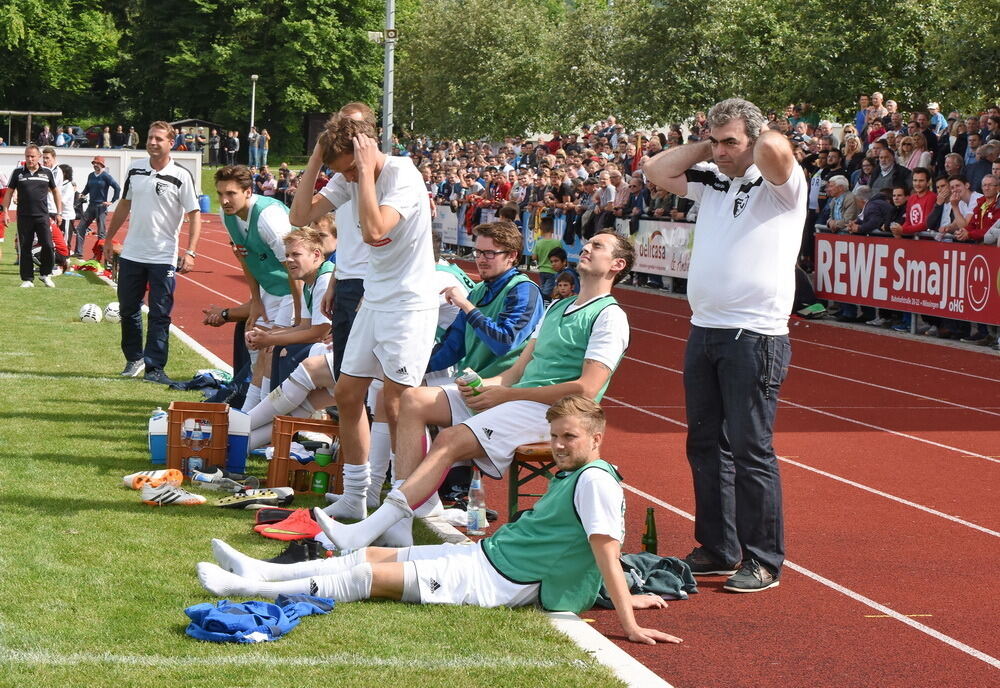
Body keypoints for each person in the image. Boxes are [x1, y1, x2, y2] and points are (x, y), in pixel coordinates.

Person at [198, 395, 682, 646]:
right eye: (554, 435)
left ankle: (239, 590)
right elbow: (585, 551)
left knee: (370, 576)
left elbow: (604, 551)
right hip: (484, 558)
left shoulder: (595, 480)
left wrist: (628, 621)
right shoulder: (585, 472)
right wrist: (628, 596)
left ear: (596, 437)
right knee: (367, 554)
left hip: (494, 582)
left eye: (569, 437)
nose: (558, 445)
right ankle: (261, 572)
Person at [313, 230, 633, 550]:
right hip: (517, 398)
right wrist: (481, 386)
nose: (586, 247)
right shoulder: (556, 307)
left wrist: (506, 394)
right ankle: (400, 524)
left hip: (556, 415)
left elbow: (586, 390)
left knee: (451, 439)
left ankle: (371, 527)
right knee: (411, 399)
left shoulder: (609, 316)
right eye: (587, 242)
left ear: (617, 264)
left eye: (597, 246)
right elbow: (514, 374)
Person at [644, 98, 803, 593]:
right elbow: (655, 168)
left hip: (755, 334)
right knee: (705, 444)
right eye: (715, 141)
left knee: (752, 449)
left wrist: (751, 141)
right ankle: (718, 546)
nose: (721, 150)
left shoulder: (782, 185)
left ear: (754, 139)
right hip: (705, 328)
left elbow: (777, 149)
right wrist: (711, 146)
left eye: (730, 141)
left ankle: (763, 560)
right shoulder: (713, 178)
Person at [273, 109, 436, 523]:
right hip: (374, 300)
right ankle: (356, 493)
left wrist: (363, 174)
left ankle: (401, 504)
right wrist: (316, 159)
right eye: (340, 172)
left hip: (408, 305)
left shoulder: (402, 175)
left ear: (366, 153)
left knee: (398, 405)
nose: (344, 179)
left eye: (348, 170)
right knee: (348, 395)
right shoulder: (351, 176)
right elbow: (299, 216)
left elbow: (374, 230)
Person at [103, 121, 201, 383]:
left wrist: (190, 252)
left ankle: (155, 368)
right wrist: (109, 238)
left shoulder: (181, 175)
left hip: (163, 256)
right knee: (128, 309)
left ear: (171, 143)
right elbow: (124, 205)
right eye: (150, 137)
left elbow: (194, 215)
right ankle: (134, 358)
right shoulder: (135, 169)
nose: (153, 142)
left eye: (159, 138)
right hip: (133, 253)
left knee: (160, 313)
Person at [3, 144, 62, 287]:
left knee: (48, 245)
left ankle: (45, 274)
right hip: (24, 217)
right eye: (27, 156)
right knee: (25, 247)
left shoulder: (47, 172)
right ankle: (27, 279)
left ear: (39, 157)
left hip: (42, 216)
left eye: (32, 156)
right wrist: (5, 211)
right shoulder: (18, 172)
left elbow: (55, 192)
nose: (29, 159)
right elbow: (9, 192)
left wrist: (59, 212)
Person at [74, 156, 121, 257]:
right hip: (91, 206)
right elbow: (88, 187)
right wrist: (82, 194)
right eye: (94, 163)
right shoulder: (91, 175)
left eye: (97, 163)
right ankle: (78, 252)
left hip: (101, 207)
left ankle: (98, 256)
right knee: (80, 228)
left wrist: (112, 201)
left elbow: (117, 188)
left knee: (101, 233)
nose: (95, 165)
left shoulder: (106, 176)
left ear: (102, 165)